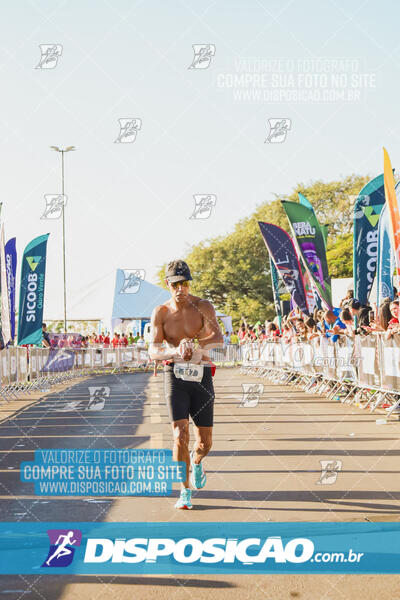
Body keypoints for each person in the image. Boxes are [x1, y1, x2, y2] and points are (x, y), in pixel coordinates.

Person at [148, 259, 223, 510]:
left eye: (186, 283)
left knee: (205, 442)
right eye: (177, 284)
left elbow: (218, 338)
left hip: (201, 376)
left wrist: (197, 348)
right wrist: (173, 351)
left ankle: (198, 462)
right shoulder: (161, 312)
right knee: (179, 434)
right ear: (167, 284)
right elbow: (153, 349)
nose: (182, 288)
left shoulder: (203, 306)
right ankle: (184, 490)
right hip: (175, 375)